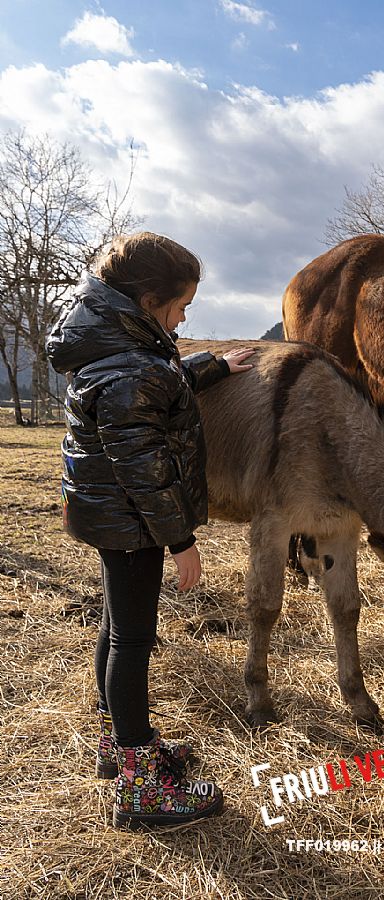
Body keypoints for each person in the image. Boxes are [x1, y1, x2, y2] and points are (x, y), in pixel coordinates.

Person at [46, 231, 255, 829]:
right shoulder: (128, 368)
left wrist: (212, 366)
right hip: (134, 521)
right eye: (182, 305)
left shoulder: (112, 344)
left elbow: (155, 380)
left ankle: (122, 746)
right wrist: (181, 541)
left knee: (117, 628)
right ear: (147, 301)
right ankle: (140, 788)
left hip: (110, 515)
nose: (185, 315)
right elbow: (145, 468)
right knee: (132, 642)